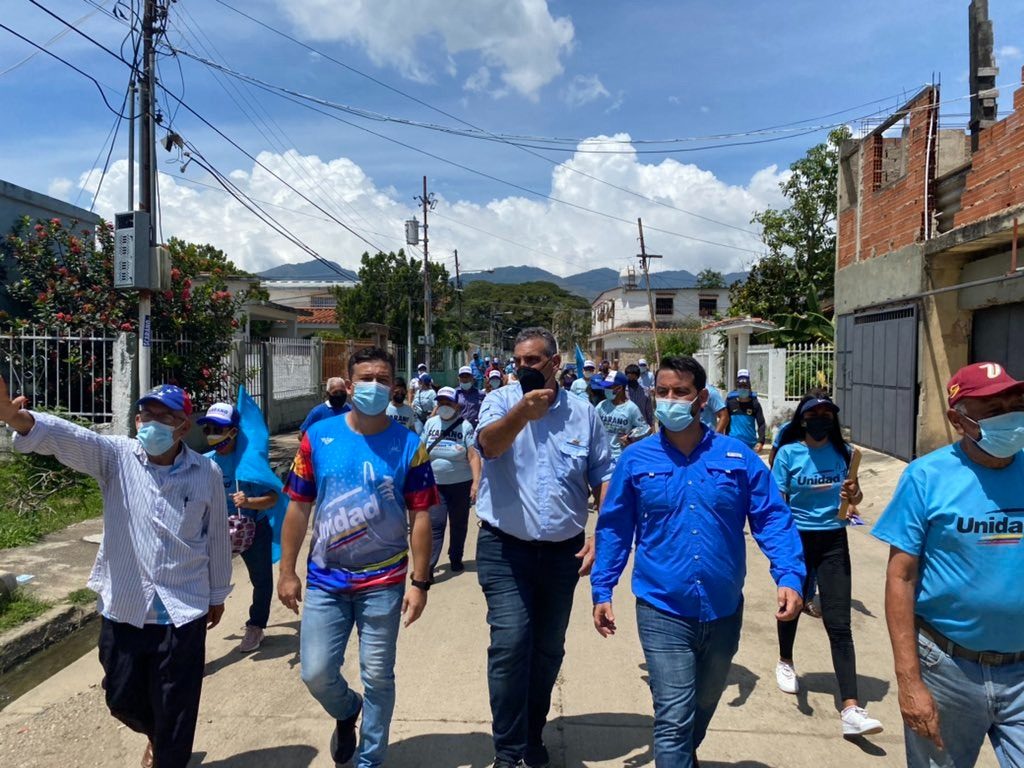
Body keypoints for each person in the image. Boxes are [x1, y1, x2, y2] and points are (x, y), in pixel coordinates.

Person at [590, 356, 804, 768]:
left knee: (702, 705)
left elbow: (772, 519)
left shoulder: (737, 457)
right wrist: (603, 588)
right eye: (662, 392)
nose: (670, 399)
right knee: (674, 717)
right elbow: (615, 528)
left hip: (723, 609)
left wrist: (789, 574)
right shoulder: (636, 460)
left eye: (680, 392)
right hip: (661, 608)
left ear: (701, 398)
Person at [5, 381, 231, 768]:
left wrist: (217, 595)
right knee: (120, 697)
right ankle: (155, 734)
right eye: (146, 415)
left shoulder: (206, 471)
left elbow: (216, 538)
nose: (151, 423)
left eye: (164, 416)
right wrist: (19, 420)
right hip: (125, 606)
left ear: (183, 425)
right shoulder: (116, 457)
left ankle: (168, 751)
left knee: (176, 708)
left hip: (183, 610)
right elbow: (70, 437)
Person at [278, 346, 439, 768]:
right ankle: (348, 708)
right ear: (349, 386)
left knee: (378, 676)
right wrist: (286, 571)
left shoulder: (410, 445)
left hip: (383, 581)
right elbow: (298, 506)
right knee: (315, 672)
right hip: (326, 579)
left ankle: (370, 760)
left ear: (394, 386)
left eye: (383, 379)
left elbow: (421, 515)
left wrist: (420, 582)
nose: (374, 386)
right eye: (366, 379)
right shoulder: (318, 437)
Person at [873, 362, 1024, 768]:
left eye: (1016, 404)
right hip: (947, 668)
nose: (1011, 416)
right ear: (959, 421)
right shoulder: (926, 477)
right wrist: (909, 681)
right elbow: (900, 577)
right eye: (993, 410)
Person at [475, 327, 613, 768]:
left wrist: (601, 534)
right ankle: (507, 750)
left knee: (548, 648)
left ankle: (531, 735)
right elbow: (489, 446)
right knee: (511, 642)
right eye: (518, 361)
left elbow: (603, 476)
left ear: (555, 364)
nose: (523, 368)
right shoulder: (500, 401)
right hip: (504, 549)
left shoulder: (583, 413)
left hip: (561, 553)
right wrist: (522, 412)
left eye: (533, 361)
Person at [771, 393, 882, 736]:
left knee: (839, 622)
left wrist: (853, 494)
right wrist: (780, 547)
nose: (821, 418)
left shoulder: (845, 453)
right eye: (814, 413)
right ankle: (785, 661)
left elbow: (856, 497)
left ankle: (850, 707)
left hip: (834, 540)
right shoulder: (789, 454)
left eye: (827, 413)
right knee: (792, 605)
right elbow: (777, 501)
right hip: (798, 540)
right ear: (803, 419)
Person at [200, 402, 280, 654]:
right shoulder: (204, 463)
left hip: (253, 530)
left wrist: (249, 502)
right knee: (201, 583)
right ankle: (193, 637)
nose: (212, 434)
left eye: (218, 429)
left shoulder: (249, 463)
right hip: (217, 533)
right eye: (207, 429)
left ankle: (256, 625)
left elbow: (273, 498)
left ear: (233, 431)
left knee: (261, 580)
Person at [421, 386, 481, 575]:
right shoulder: (430, 424)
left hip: (460, 485)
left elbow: (473, 455)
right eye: (441, 403)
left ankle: (456, 558)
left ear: (456, 405)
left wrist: (476, 483)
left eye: (448, 402)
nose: (444, 406)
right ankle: (428, 567)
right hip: (435, 485)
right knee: (435, 525)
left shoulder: (465, 426)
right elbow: (420, 451)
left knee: (458, 524)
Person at [595, 371, 651, 466]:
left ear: (619, 388)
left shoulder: (631, 408)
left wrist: (631, 438)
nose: (605, 390)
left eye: (609, 387)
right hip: (602, 457)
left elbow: (645, 429)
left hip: (620, 457)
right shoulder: (602, 405)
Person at [726, 369, 765, 452]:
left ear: (749, 387)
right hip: (733, 443)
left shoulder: (755, 404)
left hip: (751, 445)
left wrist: (760, 441)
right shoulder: (730, 403)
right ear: (737, 387)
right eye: (740, 386)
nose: (743, 389)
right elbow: (725, 421)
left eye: (745, 386)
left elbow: (761, 423)